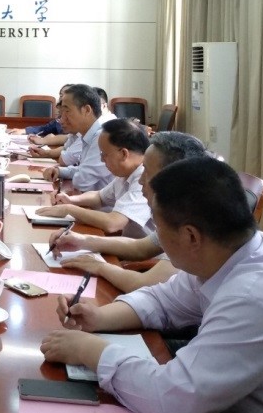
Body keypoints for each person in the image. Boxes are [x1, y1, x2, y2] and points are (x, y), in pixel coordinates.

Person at [40, 157, 263, 413]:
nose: (157, 238)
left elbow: (172, 401)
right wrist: (100, 316)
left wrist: (90, 351)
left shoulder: (254, 299)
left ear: (190, 236)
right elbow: (164, 300)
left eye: (158, 228)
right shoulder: (230, 254)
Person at [49, 131, 207, 292]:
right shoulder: (177, 212)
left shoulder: (191, 224)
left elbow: (142, 283)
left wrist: (100, 267)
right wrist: (81, 241)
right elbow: (139, 247)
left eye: (147, 172)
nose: (141, 180)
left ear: (173, 181)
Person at [36, 118, 150, 236]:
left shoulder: (144, 177)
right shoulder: (126, 173)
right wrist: (71, 200)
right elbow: (99, 197)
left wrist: (69, 209)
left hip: (138, 246)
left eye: (104, 154)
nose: (101, 159)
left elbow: (113, 223)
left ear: (124, 154)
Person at [42, 84, 115, 192]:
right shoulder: (88, 134)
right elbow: (83, 170)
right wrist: (60, 171)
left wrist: (67, 172)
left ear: (86, 110)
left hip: (103, 202)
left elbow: (83, 181)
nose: (62, 119)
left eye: (67, 111)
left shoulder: (102, 136)